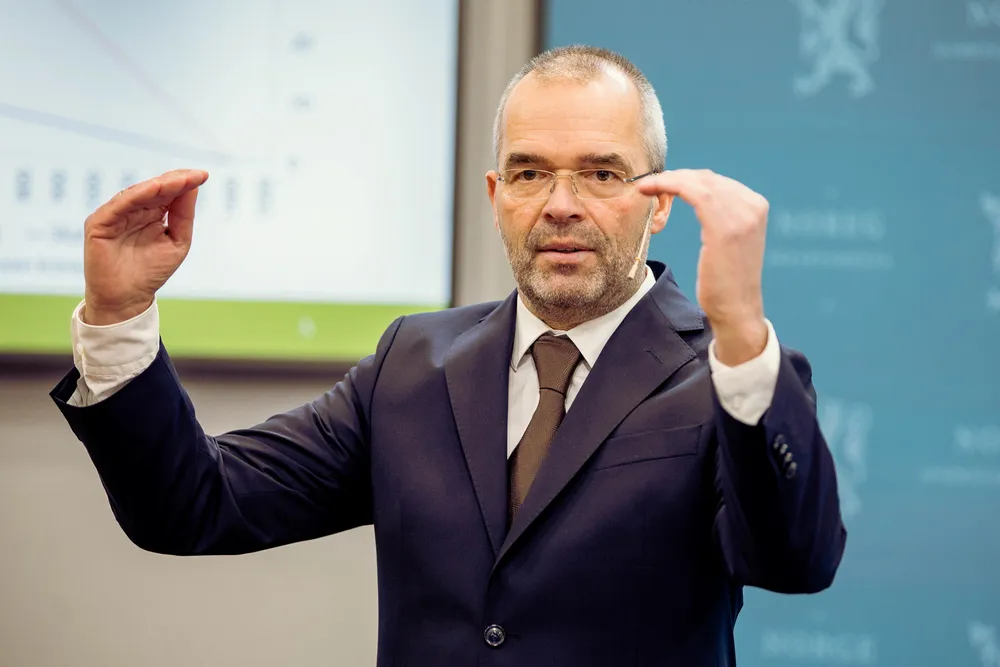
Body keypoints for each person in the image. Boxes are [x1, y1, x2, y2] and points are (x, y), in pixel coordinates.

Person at [50, 45, 846, 666]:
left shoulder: (726, 376)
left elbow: (796, 559)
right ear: (498, 197)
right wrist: (119, 316)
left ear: (659, 204)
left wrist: (742, 333)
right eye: (530, 173)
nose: (560, 205)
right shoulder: (413, 363)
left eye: (601, 173)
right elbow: (192, 504)